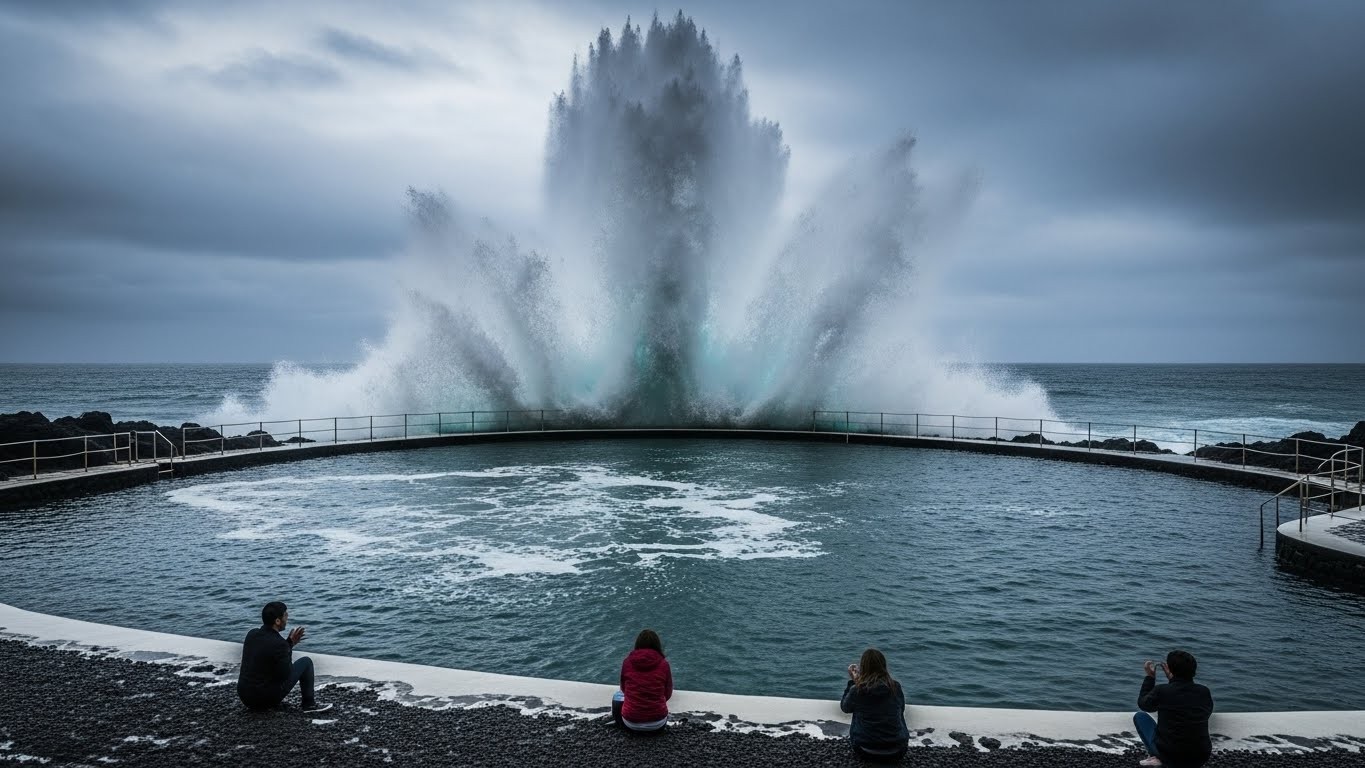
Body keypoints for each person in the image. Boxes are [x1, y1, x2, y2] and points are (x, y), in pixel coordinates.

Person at [237, 601, 332, 713]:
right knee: (306, 662)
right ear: (277, 621)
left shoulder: (252, 634)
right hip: (263, 701)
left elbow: (267, 653)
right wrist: (288, 647)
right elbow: (285, 674)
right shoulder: (280, 644)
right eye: (285, 615)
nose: (287, 618)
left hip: (245, 697)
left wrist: (289, 644)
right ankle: (309, 705)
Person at [1134, 650, 1213, 768]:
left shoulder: (1162, 691)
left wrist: (1150, 677)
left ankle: (1159, 759)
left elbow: (1144, 704)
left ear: (1170, 670)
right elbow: (1205, 712)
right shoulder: (1204, 691)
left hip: (1170, 756)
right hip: (1200, 756)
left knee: (1140, 717)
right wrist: (1172, 679)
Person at [840, 647, 910, 761]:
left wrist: (854, 682)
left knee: (859, 710)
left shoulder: (857, 690)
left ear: (864, 667)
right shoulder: (895, 687)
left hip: (864, 750)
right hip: (898, 750)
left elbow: (845, 708)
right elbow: (901, 709)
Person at [611, 628, 673, 733]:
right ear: (657, 645)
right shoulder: (664, 664)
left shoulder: (627, 662)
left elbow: (623, 689)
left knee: (617, 697)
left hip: (631, 724)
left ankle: (619, 723)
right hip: (658, 724)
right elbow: (668, 693)